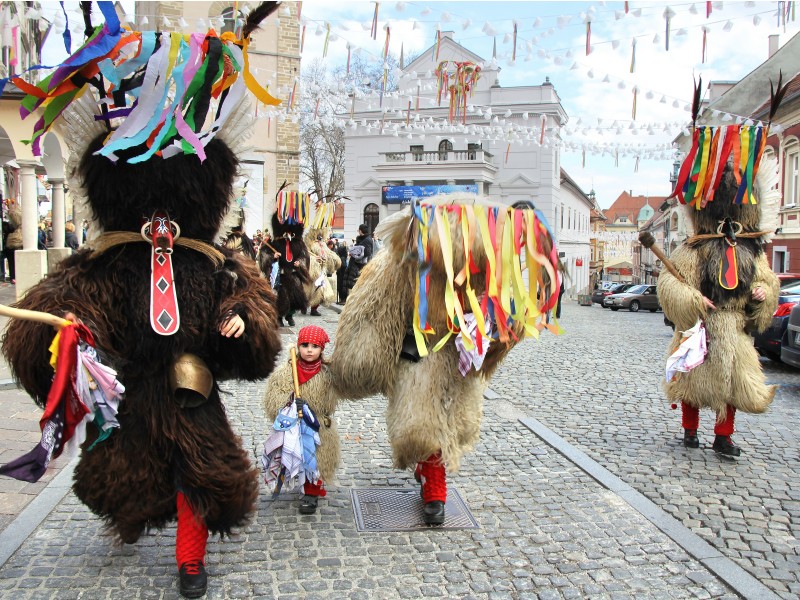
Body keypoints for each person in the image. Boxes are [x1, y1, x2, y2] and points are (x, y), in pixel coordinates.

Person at [0, 6, 284, 598]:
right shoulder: (105, 261)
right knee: (127, 482)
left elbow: (255, 305)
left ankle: (190, 561)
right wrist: (67, 331)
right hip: (131, 394)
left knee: (200, 477)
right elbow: (58, 305)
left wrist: (238, 318)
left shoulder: (213, 261)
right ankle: (135, 519)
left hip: (192, 392)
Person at [331, 195, 562, 525]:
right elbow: (378, 307)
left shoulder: (482, 266)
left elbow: (493, 311)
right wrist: (365, 357)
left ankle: (431, 478)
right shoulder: (407, 263)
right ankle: (434, 489)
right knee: (424, 425)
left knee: (449, 425)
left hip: (458, 356)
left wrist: (495, 331)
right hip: (420, 353)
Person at [658, 151, 780, 457]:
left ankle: (723, 437)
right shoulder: (693, 248)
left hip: (734, 328)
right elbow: (671, 283)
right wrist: (693, 299)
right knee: (691, 383)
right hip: (700, 327)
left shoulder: (752, 250)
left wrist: (762, 293)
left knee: (732, 386)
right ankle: (690, 430)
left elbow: (767, 281)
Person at [262, 325, 340, 515]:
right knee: (297, 457)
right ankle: (300, 482)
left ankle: (311, 493)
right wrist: (289, 402)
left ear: (322, 348)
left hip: (318, 425)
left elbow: (335, 397)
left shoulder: (328, 373)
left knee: (317, 459)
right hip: (294, 426)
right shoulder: (287, 372)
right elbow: (274, 397)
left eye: (315, 346)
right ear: (298, 347)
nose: (309, 350)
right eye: (305, 345)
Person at [343, 224, 373, 296]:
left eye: (358, 230)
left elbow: (367, 253)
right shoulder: (362, 239)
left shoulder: (367, 240)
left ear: (361, 230)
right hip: (355, 265)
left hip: (360, 266)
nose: (358, 232)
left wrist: (355, 253)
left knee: (358, 286)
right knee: (354, 286)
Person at [335, 239, 349, 304]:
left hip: (342, 276)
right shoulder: (343, 257)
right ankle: (342, 299)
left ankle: (343, 299)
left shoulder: (342, 258)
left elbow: (343, 266)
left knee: (341, 287)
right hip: (342, 275)